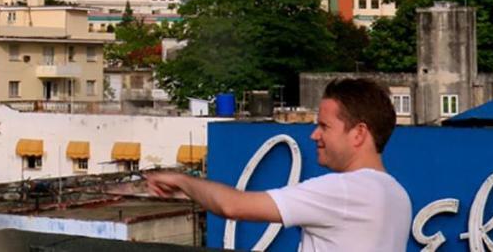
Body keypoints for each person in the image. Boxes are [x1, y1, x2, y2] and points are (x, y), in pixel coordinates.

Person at [146, 78, 412, 251]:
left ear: (358, 133)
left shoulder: (344, 191)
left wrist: (181, 179)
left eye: (324, 126)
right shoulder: (398, 196)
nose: (314, 135)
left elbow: (233, 205)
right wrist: (189, 192)